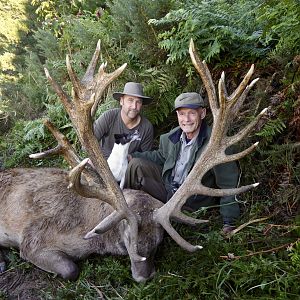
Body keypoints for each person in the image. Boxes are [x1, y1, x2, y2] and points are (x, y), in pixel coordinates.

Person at [124, 92, 240, 234]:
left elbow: (228, 185)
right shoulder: (171, 137)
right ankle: (127, 213)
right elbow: (160, 156)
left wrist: (229, 222)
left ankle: (161, 219)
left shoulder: (215, 144)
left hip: (189, 202)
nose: (186, 119)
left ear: (202, 114)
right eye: (182, 114)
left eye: (192, 113)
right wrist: (129, 156)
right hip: (168, 190)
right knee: (136, 164)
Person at [93, 82, 154, 159]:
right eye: (130, 100)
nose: (134, 106)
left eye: (138, 102)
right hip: (103, 163)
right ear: (121, 101)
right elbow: (89, 142)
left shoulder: (146, 127)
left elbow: (146, 158)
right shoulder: (109, 117)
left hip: (127, 167)